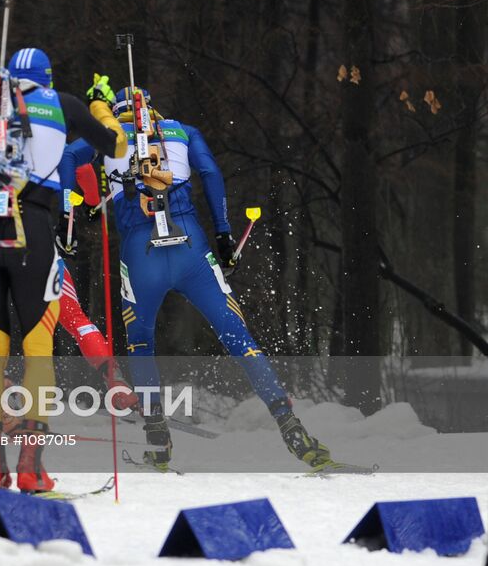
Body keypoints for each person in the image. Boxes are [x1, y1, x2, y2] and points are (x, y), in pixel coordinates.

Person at [60, 85, 332, 472]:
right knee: (237, 335)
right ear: (152, 107)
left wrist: (69, 216)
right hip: (191, 246)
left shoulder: (108, 136)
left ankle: (158, 440)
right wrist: (223, 232)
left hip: (142, 253)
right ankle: (292, 428)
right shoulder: (182, 130)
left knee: (140, 343)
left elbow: (70, 156)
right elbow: (210, 171)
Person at [0, 47, 127, 492]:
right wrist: (101, 106)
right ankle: (30, 466)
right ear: (46, 77)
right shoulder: (62, 103)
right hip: (33, 226)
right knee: (38, 344)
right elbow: (115, 145)